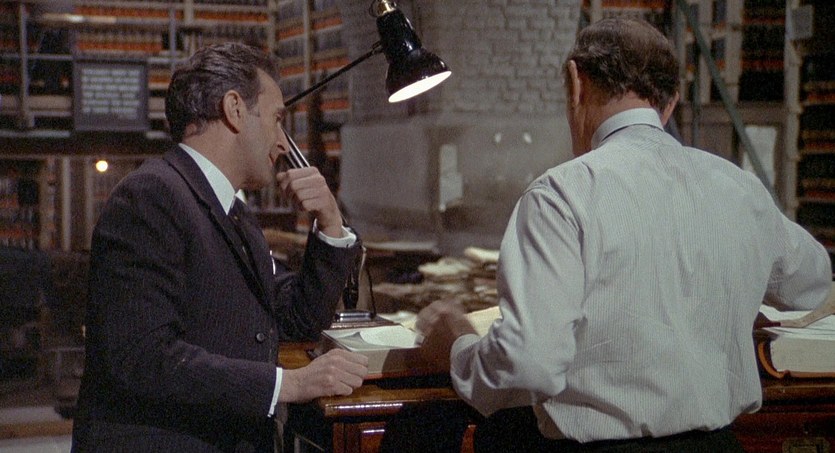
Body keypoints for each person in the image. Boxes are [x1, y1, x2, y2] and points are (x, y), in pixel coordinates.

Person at [416, 17, 832, 452]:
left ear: (575, 83)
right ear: (669, 104)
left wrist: (458, 348)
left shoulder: (561, 194)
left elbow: (529, 363)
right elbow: (812, 284)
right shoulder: (739, 189)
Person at [72, 42, 369, 452]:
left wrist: (331, 224)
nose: (283, 144)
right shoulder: (150, 196)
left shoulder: (234, 212)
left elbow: (292, 321)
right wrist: (287, 384)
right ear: (234, 109)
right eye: (276, 119)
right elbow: (142, 356)